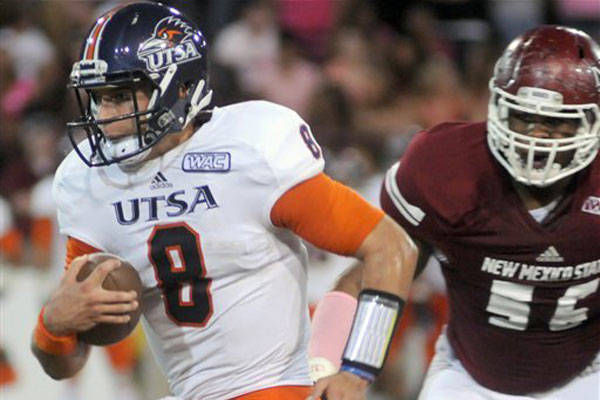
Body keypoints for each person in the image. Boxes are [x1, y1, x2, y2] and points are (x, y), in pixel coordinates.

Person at [30, 3, 418, 400]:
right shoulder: (91, 185)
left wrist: (356, 370)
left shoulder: (250, 152)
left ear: (179, 87)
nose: (105, 115)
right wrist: (53, 325)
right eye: (98, 99)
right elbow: (66, 361)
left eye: (121, 97)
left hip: (278, 387)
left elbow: (392, 246)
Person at [311, 25, 600, 399]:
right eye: (524, 117)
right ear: (496, 108)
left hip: (585, 377)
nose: (537, 136)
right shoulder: (447, 168)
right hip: (470, 379)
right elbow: (374, 272)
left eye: (556, 122)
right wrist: (335, 365)